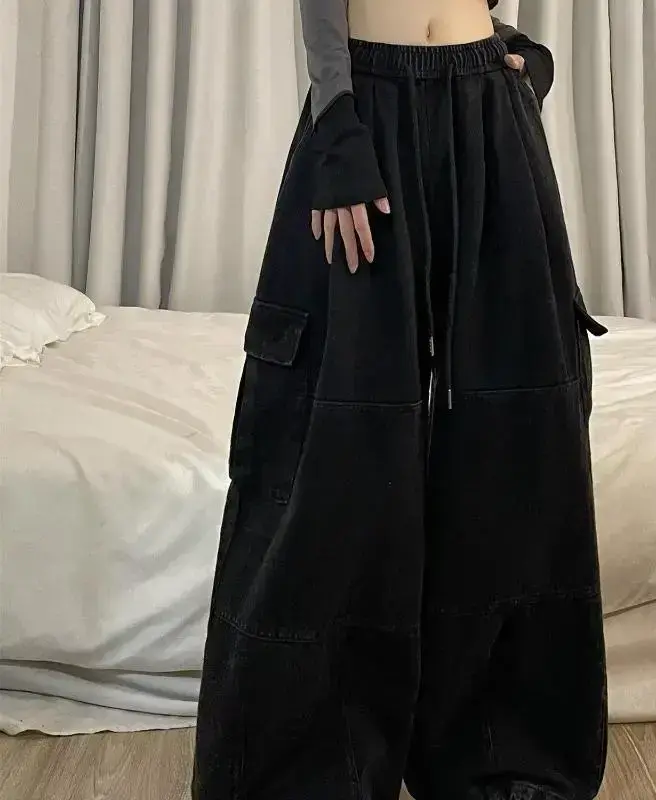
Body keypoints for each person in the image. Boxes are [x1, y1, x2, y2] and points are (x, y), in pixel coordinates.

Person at [193, 1, 609, 799]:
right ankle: (311, 773)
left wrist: (512, 51)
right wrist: (335, 122)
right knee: (332, 446)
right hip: (366, 113)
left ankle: (501, 761)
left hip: (487, 104)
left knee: (517, 432)